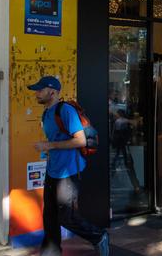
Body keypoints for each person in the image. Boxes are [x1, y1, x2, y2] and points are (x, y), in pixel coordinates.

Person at [28, 76, 109, 256]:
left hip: (69, 171)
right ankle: (51, 250)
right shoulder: (46, 113)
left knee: (67, 217)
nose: (37, 93)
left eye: (40, 90)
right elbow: (56, 139)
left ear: (53, 92)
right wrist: (48, 149)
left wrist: (50, 146)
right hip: (53, 170)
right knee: (49, 214)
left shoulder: (65, 111)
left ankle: (98, 236)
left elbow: (80, 140)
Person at [111, 109, 141, 194]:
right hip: (123, 146)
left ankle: (135, 185)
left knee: (115, 164)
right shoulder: (121, 122)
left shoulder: (118, 122)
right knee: (128, 165)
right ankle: (136, 185)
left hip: (119, 146)